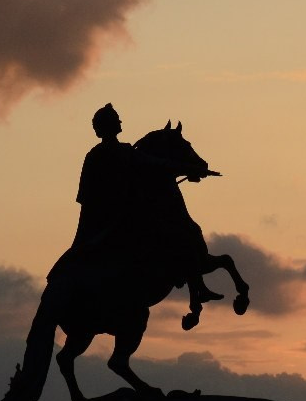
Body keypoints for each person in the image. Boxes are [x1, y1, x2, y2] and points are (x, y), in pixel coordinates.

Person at [64, 102, 222, 318]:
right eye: (117, 120)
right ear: (110, 126)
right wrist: (189, 168)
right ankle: (193, 283)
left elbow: (84, 196)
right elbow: (158, 164)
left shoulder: (95, 155)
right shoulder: (124, 152)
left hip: (101, 218)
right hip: (123, 216)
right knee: (177, 235)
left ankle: (196, 287)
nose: (120, 122)